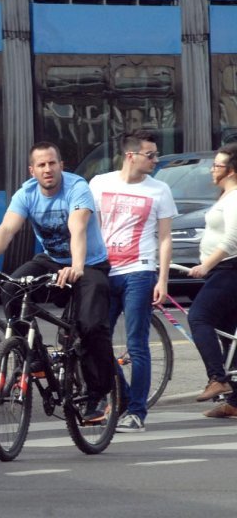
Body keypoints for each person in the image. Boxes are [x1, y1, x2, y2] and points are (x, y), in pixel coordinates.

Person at [0, 141, 115, 423]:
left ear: (61, 165)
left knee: (91, 326)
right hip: (51, 261)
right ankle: (30, 353)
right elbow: (6, 229)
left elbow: (78, 228)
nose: (48, 169)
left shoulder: (77, 188)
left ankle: (98, 395)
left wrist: (76, 266)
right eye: (41, 165)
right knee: (12, 286)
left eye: (52, 163)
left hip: (89, 263)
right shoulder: (27, 193)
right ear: (32, 170)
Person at [89, 130, 177, 433]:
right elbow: (90, 228)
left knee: (137, 344)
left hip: (140, 272)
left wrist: (162, 279)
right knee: (94, 339)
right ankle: (122, 398)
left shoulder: (160, 190)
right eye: (150, 155)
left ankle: (137, 412)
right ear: (131, 155)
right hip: (103, 271)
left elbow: (165, 238)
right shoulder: (100, 184)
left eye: (155, 154)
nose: (155, 160)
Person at [186, 143, 237, 416]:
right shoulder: (225, 196)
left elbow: (232, 240)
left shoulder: (234, 197)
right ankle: (235, 404)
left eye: (216, 165)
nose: (212, 169)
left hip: (230, 270)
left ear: (230, 171)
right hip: (225, 270)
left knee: (199, 317)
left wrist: (206, 265)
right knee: (230, 335)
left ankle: (217, 378)